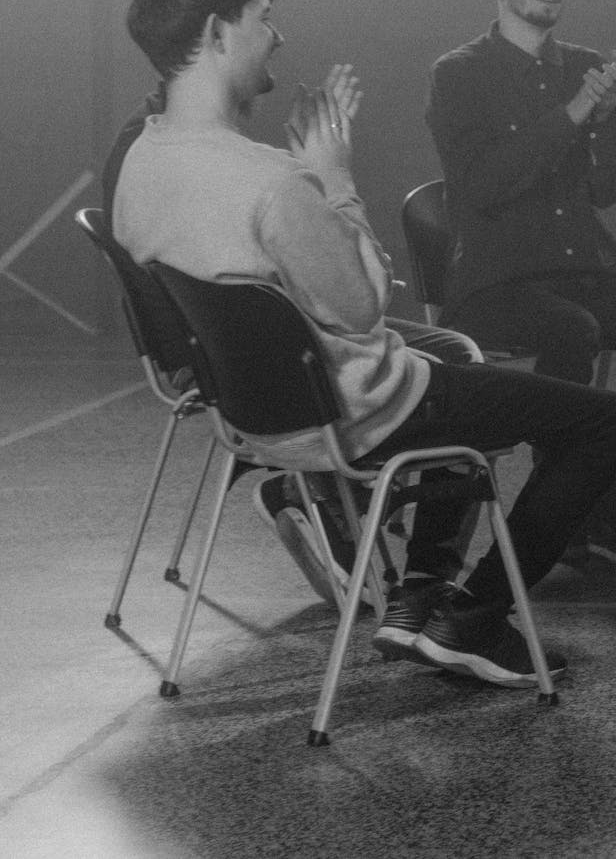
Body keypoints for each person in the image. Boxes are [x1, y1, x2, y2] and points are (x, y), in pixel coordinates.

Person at [113, 0, 616, 686]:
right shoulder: (270, 184)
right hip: (361, 408)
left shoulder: (139, 159)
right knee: (605, 422)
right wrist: (332, 177)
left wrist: (300, 176)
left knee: (457, 352)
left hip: (253, 410)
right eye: (264, 19)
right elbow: (363, 310)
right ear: (217, 32)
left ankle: (417, 591)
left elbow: (243, 257)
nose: (279, 36)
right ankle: (476, 615)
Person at [102, 90, 481, 608]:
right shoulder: (173, 148)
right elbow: (346, 297)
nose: (273, 41)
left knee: (447, 348)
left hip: (213, 339)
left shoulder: (156, 139)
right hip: (227, 351)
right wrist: (329, 183)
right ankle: (414, 566)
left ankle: (339, 502)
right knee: (452, 369)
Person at [426, 0, 616, 559]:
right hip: (497, 282)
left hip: (584, 270)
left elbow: (606, 190)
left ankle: (611, 498)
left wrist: (605, 125)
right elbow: (482, 186)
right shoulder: (458, 73)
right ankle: (558, 513)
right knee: (570, 330)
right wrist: (575, 113)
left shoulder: (582, 65)